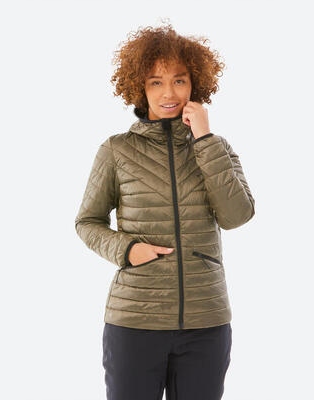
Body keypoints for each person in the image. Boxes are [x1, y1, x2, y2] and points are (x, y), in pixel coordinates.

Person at [75, 23, 255, 400]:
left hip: (206, 323)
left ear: (195, 85)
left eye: (179, 80)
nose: (168, 93)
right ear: (139, 87)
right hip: (134, 323)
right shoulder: (116, 150)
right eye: (156, 82)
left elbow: (237, 216)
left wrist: (204, 139)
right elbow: (87, 222)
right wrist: (127, 250)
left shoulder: (216, 147)